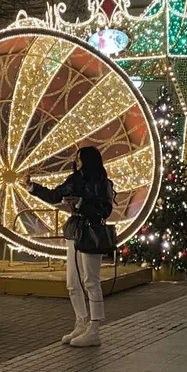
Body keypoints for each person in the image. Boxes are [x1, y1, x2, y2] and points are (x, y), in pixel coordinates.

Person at [25, 146, 115, 347]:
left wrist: (82, 203)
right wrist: (33, 187)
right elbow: (55, 195)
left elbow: (105, 210)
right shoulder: (74, 180)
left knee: (90, 280)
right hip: (75, 231)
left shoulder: (102, 183)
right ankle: (81, 321)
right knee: (73, 282)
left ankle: (95, 328)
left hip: (91, 233)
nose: (76, 161)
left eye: (80, 158)